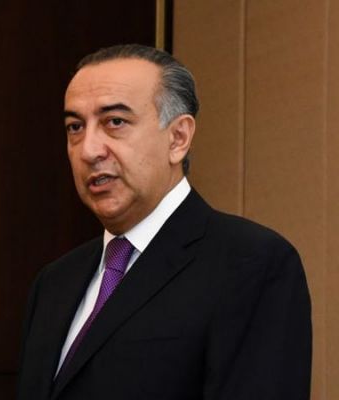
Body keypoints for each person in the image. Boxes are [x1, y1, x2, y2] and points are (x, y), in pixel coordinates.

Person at [17, 44, 312, 400]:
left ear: (178, 138)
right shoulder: (54, 282)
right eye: (75, 127)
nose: (89, 150)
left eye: (115, 122)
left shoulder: (251, 264)